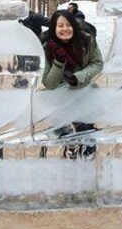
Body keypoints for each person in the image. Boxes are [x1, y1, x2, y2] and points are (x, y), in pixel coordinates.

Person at [42, 10, 103, 141]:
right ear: (54, 28)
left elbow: (97, 63)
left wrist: (78, 77)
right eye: (60, 25)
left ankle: (88, 159)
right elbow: (49, 83)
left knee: (87, 138)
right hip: (61, 101)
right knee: (65, 141)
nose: (65, 29)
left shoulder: (87, 40)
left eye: (69, 25)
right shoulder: (47, 46)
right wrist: (59, 62)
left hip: (85, 97)